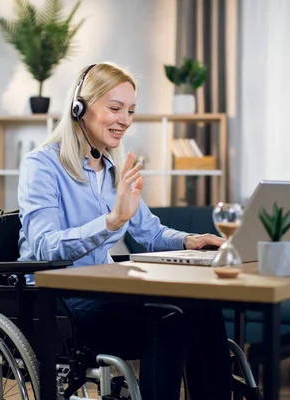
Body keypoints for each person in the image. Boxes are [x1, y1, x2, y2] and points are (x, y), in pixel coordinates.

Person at [17, 62, 232, 400]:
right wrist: (111, 221)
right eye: (115, 108)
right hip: (56, 303)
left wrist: (190, 240)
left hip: (101, 293)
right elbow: (45, 247)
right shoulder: (41, 165)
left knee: (202, 304)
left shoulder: (115, 167)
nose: (125, 120)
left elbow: (149, 232)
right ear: (80, 108)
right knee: (170, 318)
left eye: (130, 110)